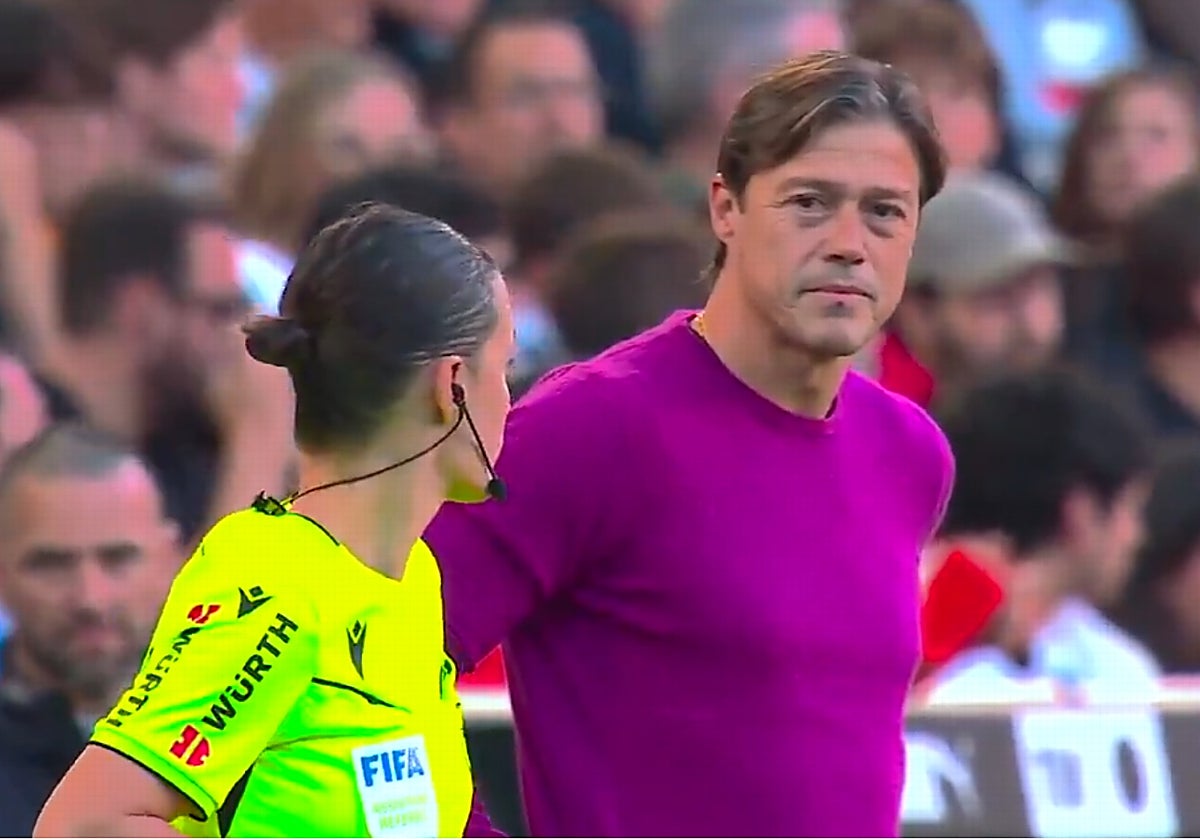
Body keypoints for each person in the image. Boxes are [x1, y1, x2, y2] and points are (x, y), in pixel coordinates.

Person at [425, 50, 951, 836]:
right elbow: (370, 663)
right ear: (726, 208)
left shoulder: (910, 451)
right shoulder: (594, 427)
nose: (849, 242)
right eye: (809, 203)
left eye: (885, 211)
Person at [35, 204, 514, 838]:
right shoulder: (272, 578)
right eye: (504, 370)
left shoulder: (413, 578)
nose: (512, 398)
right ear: (451, 385)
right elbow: (84, 826)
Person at [925, 366, 1157, 705]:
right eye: (1132, 510)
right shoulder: (892, 618)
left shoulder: (1117, 671)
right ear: (1081, 510)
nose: (1138, 537)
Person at [0, 423, 180, 836]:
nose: (90, 599)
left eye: (118, 558)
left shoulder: (244, 718)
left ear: (169, 558)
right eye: (51, 564)